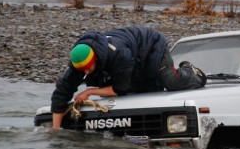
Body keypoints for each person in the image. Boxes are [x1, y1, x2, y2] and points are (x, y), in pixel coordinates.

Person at [50, 26, 206, 128]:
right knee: (144, 92)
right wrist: (55, 132)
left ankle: (191, 71)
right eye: (81, 70)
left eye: (88, 68)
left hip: (150, 45)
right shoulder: (77, 66)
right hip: (132, 59)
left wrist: (90, 92)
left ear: (95, 59)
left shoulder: (118, 54)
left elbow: (120, 89)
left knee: (170, 81)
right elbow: (60, 96)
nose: (86, 73)